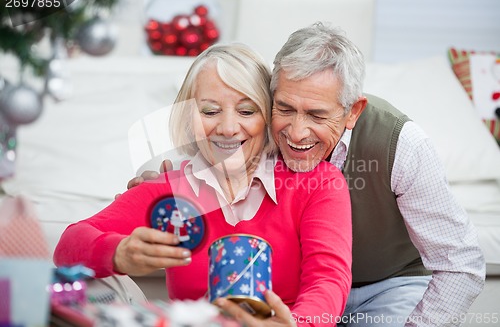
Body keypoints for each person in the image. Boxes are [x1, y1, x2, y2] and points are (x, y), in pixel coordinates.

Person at [131, 23, 485, 326]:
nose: (297, 133)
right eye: (285, 108)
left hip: (385, 286)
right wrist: (159, 193)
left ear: (352, 111)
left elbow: (461, 264)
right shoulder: (256, 126)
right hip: (297, 288)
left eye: (317, 115)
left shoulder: (402, 145)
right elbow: (208, 146)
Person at [53, 43, 353, 326]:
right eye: (210, 111)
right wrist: (119, 252)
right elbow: (68, 245)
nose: (227, 128)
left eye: (247, 111)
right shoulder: (168, 190)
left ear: (269, 117)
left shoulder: (318, 183)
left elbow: (328, 279)